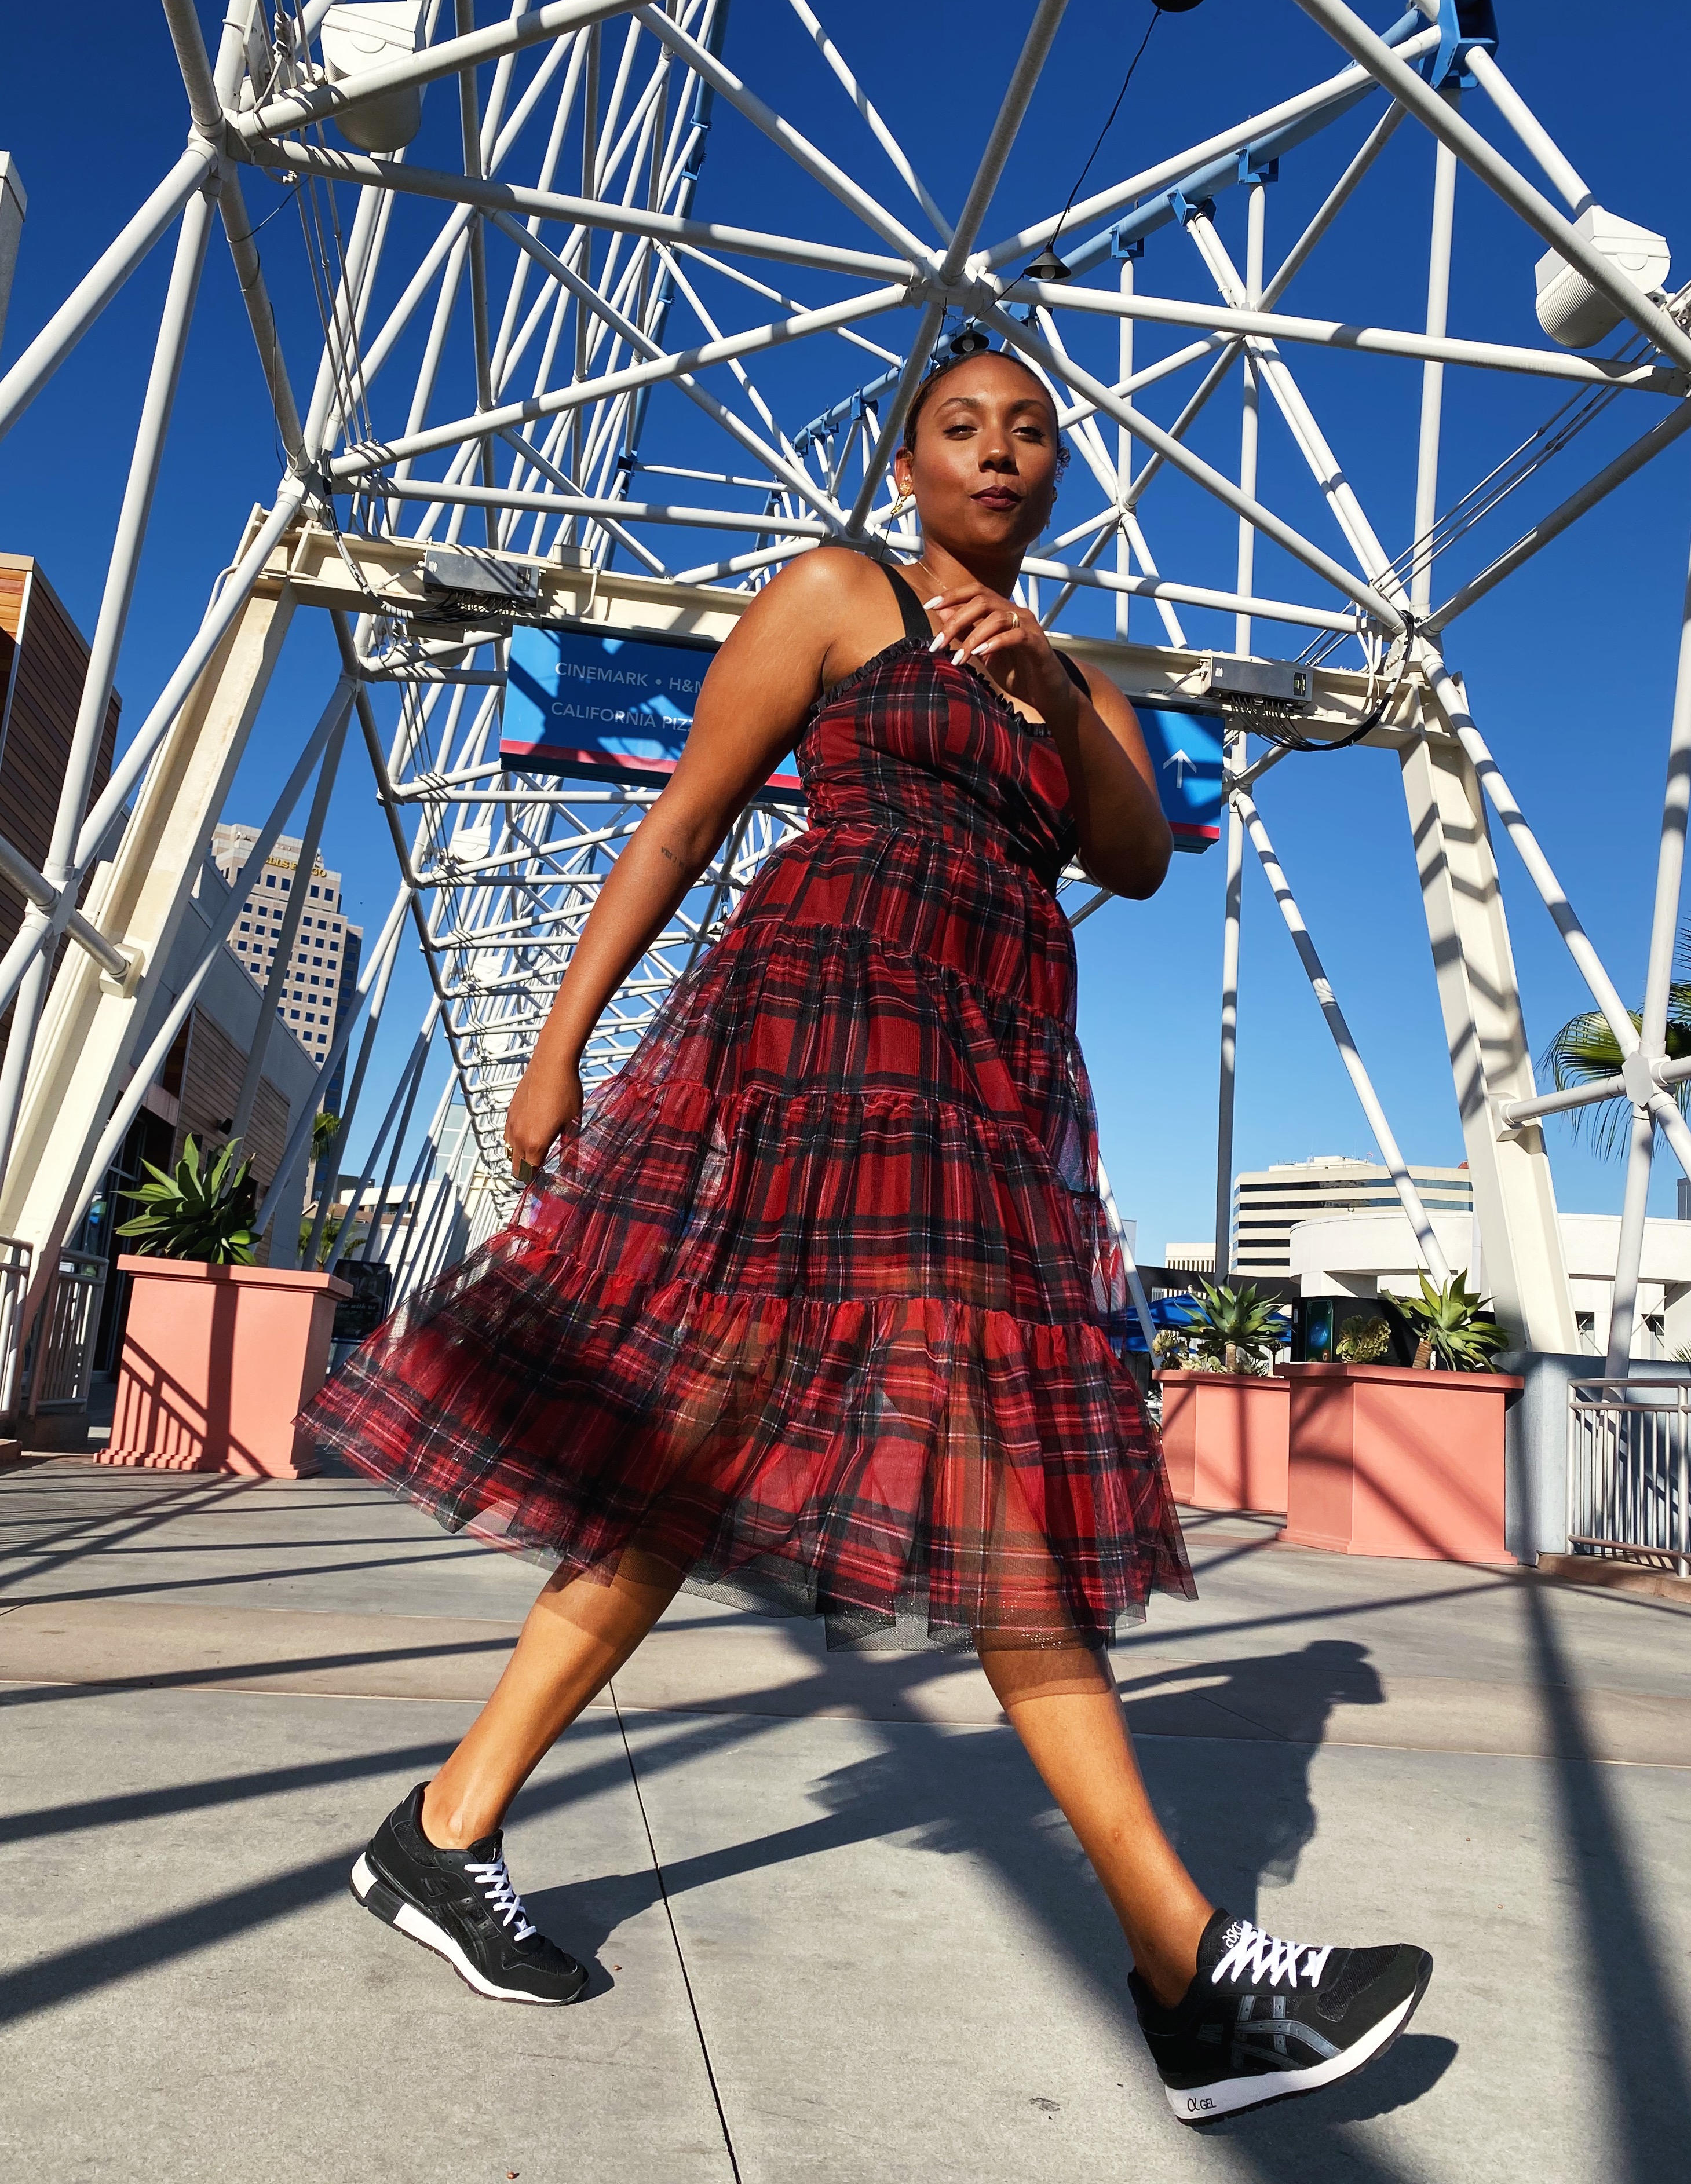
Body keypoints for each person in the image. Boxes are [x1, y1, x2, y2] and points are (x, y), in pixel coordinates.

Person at [304, 341, 1430, 2123]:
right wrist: (558, 1049)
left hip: (978, 1085)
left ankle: (443, 1834)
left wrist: (1055, 689)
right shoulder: (838, 593)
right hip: (829, 1041)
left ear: (1061, 474)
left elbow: (1138, 855)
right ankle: (1188, 1966)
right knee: (979, 1462)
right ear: (906, 464)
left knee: (692, 1454)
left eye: (1032, 432)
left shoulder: (1078, 682)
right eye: (961, 428)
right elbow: (684, 820)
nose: (999, 452)